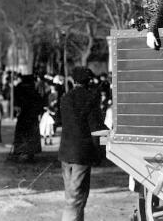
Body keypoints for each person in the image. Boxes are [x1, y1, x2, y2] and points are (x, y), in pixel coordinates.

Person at [59, 66, 108, 221]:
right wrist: (101, 151)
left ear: (74, 80)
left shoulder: (65, 98)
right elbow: (96, 128)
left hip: (65, 153)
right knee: (76, 199)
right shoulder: (91, 97)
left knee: (71, 196)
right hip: (82, 154)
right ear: (88, 81)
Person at [11, 74, 42, 162]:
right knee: (31, 135)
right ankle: (29, 153)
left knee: (22, 134)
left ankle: (21, 152)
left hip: (23, 115)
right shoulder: (32, 89)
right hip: (31, 116)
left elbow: (15, 101)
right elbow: (39, 101)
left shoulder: (18, 88)